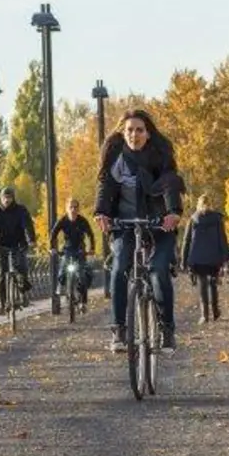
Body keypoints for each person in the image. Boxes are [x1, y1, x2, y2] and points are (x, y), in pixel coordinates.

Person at [95, 109, 184, 354]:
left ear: (148, 133)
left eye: (139, 130)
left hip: (159, 224)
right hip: (125, 223)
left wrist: (173, 211)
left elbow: (170, 184)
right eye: (129, 130)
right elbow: (105, 186)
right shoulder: (116, 159)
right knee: (120, 265)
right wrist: (101, 212)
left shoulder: (160, 157)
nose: (134, 134)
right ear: (123, 134)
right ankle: (119, 330)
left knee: (157, 270)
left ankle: (167, 329)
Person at [181, 194, 229, 323]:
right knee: (213, 283)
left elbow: (186, 241)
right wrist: (227, 257)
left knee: (202, 284)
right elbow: (222, 239)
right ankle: (215, 311)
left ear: (198, 204)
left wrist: (183, 260)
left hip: (197, 257)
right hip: (214, 257)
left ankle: (204, 315)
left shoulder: (193, 219)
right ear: (210, 204)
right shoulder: (217, 219)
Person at [0, 186, 36, 309]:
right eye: (4, 197)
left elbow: (27, 225)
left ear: (13, 198)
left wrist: (31, 240)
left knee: (21, 269)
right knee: (2, 273)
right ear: (1, 199)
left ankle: (23, 294)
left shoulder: (21, 210)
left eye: (9, 197)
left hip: (18, 245)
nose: (7, 200)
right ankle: (1, 304)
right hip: (0, 245)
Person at [52, 197, 96, 302]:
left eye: (75, 207)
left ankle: (83, 301)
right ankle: (61, 286)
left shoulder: (83, 221)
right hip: (67, 249)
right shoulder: (62, 220)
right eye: (70, 207)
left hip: (80, 249)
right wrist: (52, 248)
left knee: (82, 275)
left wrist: (92, 248)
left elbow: (90, 235)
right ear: (67, 208)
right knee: (62, 271)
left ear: (78, 209)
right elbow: (54, 234)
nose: (73, 210)